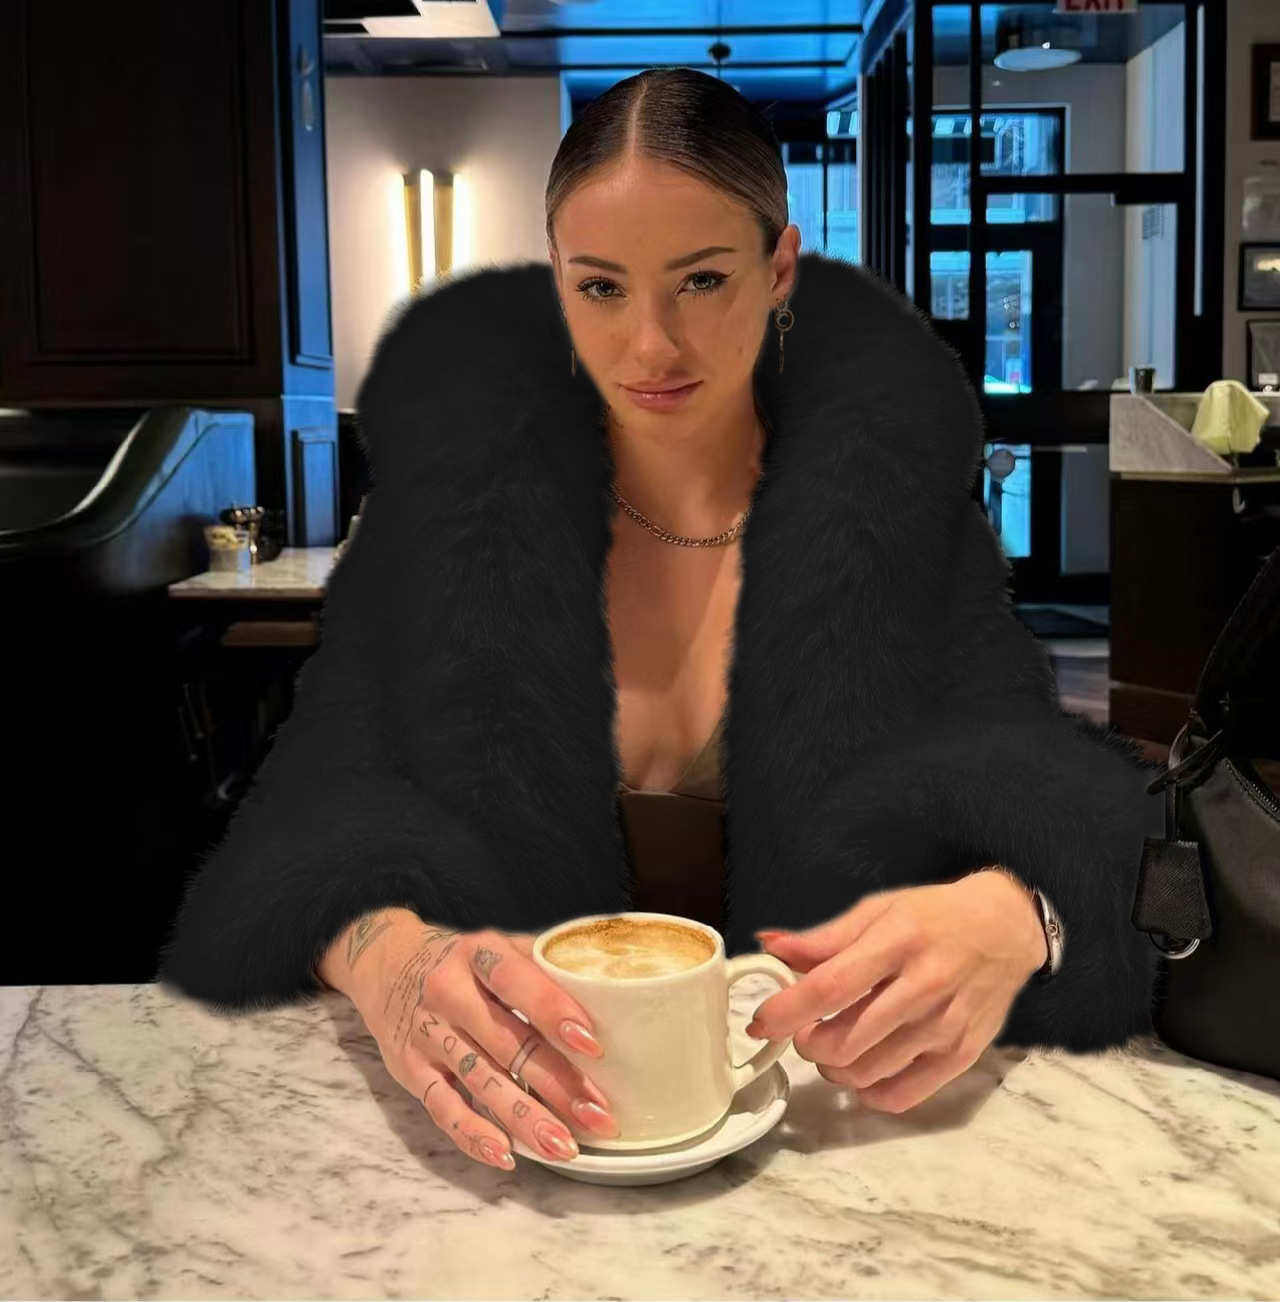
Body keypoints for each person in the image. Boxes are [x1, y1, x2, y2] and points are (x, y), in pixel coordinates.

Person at [156, 69, 1168, 1172]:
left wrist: (1019, 914)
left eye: (701, 280)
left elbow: (1054, 802)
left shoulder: (893, 521)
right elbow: (309, 818)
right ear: (555, 279)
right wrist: (385, 959)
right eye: (601, 287)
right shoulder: (450, 518)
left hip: (839, 1149)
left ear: (780, 269)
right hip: (511, 1158)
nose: (650, 344)